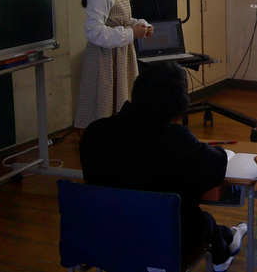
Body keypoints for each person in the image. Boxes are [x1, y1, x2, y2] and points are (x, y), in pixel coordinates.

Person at [79, 62, 247, 271]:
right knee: (202, 221)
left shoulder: (95, 133)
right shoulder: (176, 140)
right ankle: (224, 249)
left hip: (103, 237)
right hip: (160, 242)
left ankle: (225, 240)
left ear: (136, 90)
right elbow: (214, 169)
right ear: (179, 106)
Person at [74, 0, 153, 129]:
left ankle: (119, 136)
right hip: (105, 59)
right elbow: (94, 31)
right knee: (106, 108)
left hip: (120, 55)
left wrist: (139, 25)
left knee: (122, 102)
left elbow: (121, 20)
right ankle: (105, 139)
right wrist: (131, 33)